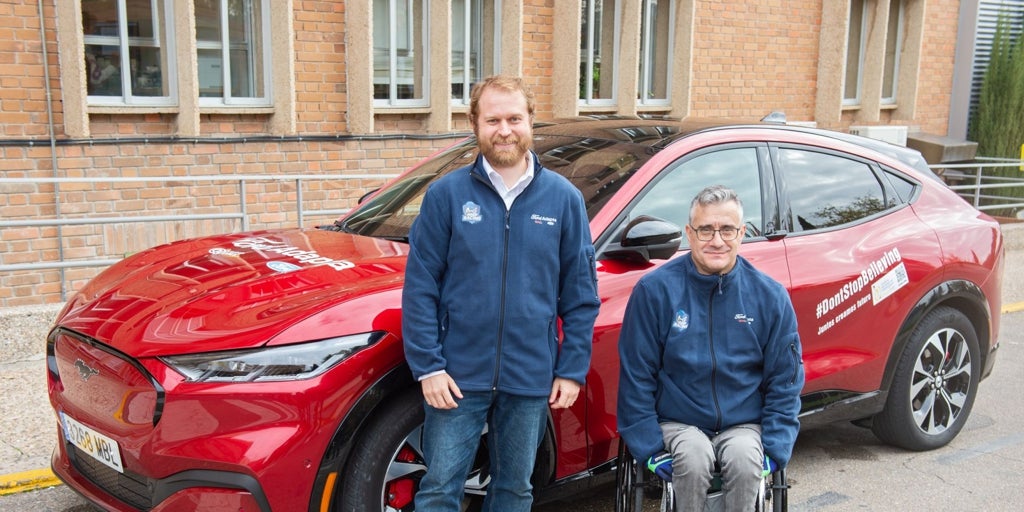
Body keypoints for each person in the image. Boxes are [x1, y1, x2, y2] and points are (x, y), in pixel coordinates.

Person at [401, 75, 600, 512]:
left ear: (531, 122)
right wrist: (429, 367)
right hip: (456, 377)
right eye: (493, 119)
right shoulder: (446, 196)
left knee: (514, 491)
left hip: (530, 377)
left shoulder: (564, 200)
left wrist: (571, 369)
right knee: (438, 489)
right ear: (474, 124)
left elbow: (581, 296)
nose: (504, 129)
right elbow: (420, 288)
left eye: (514, 118)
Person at [616, 185, 804, 511]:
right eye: (706, 230)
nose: (717, 241)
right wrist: (647, 446)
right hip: (678, 420)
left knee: (747, 464)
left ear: (742, 233)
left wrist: (776, 445)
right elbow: (636, 376)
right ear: (690, 233)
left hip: (744, 422)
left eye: (727, 229)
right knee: (691, 457)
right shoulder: (654, 292)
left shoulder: (770, 296)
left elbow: (785, 380)